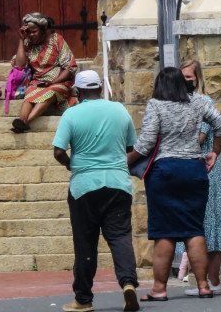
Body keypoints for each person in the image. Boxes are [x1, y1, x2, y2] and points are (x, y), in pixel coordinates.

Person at [127, 67, 221, 302]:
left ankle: (159, 289)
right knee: (194, 229)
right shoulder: (198, 103)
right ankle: (203, 285)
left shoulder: (156, 104)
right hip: (194, 169)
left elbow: (147, 142)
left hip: (165, 172)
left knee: (165, 232)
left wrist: (126, 162)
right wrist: (215, 152)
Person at [53, 70, 140, 312]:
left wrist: (70, 163)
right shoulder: (120, 110)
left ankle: (83, 299)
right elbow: (131, 146)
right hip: (118, 184)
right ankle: (128, 284)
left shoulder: (71, 114)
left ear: (78, 92)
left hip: (84, 188)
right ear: (100, 88)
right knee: (120, 237)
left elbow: (58, 151)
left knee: (85, 243)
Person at [179, 59, 221, 296]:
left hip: (205, 168)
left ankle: (211, 281)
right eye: (182, 78)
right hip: (198, 168)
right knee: (205, 223)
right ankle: (209, 281)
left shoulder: (203, 102)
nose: (185, 82)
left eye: (189, 77)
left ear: (198, 78)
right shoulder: (188, 103)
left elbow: (199, 137)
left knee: (206, 223)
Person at [11, 12, 77, 133]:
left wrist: (52, 82)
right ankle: (21, 120)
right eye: (28, 32)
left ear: (43, 30)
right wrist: (21, 40)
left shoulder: (57, 40)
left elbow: (70, 68)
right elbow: (20, 64)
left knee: (49, 93)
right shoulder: (27, 43)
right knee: (30, 94)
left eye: (34, 31)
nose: (31, 35)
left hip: (59, 82)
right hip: (37, 82)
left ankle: (25, 122)